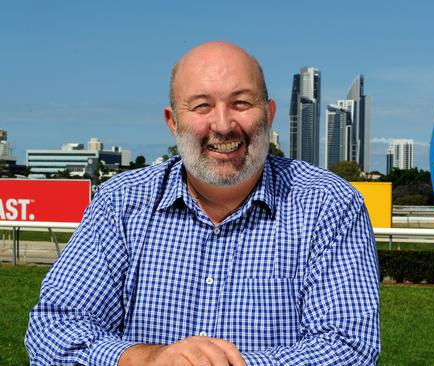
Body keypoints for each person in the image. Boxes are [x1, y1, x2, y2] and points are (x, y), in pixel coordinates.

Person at [25, 41, 380, 365]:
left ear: (269, 114)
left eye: (241, 102)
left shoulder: (330, 205)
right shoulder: (119, 203)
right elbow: (54, 327)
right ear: (172, 122)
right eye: (201, 106)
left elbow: (350, 346)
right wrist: (143, 360)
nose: (223, 125)